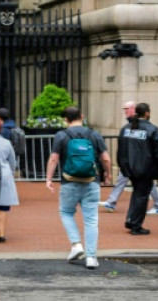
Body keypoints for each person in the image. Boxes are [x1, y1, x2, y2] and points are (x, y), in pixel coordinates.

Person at [44, 107, 112, 269]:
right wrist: (107, 175)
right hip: (91, 182)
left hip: (69, 182)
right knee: (91, 220)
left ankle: (76, 244)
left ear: (65, 119)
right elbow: (106, 158)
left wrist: (48, 179)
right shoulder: (94, 134)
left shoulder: (62, 135)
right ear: (82, 116)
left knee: (66, 212)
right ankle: (91, 257)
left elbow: (54, 158)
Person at [100, 100, 158, 214]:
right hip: (133, 159)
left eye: (127, 109)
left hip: (139, 160)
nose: (125, 111)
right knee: (124, 178)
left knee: (147, 183)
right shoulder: (131, 125)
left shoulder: (142, 126)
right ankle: (111, 202)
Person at [116, 102, 158, 235]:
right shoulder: (153, 130)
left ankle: (131, 219)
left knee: (137, 194)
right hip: (146, 169)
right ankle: (135, 225)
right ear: (147, 113)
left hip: (130, 168)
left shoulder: (126, 129)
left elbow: (120, 150)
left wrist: (123, 166)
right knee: (141, 196)